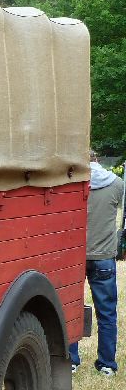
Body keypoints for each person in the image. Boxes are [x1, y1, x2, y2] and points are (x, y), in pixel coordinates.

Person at [70, 152, 124, 375]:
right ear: (98, 160)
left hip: (75, 256)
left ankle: (70, 360)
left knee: (70, 310)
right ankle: (107, 365)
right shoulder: (117, 184)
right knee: (107, 313)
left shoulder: (74, 185)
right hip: (104, 257)